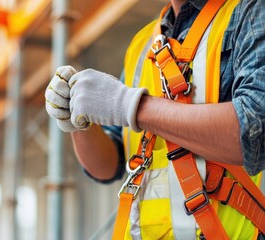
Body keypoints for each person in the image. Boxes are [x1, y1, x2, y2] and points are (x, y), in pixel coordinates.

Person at [45, 0, 265, 239]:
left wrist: (131, 105)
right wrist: (79, 121)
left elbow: (254, 133)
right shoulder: (142, 44)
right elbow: (109, 166)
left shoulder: (250, 12)